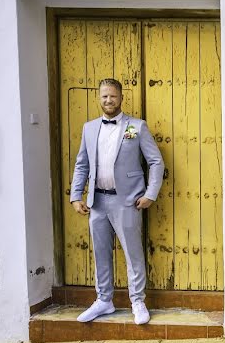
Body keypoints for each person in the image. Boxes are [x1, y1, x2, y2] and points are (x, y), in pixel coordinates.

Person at [70, 78, 165, 324]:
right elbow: (82, 164)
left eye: (112, 96)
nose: (108, 100)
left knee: (132, 253)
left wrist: (150, 194)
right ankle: (104, 301)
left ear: (121, 97)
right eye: (104, 96)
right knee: (101, 253)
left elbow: (155, 161)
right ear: (99, 98)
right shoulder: (89, 128)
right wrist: (76, 195)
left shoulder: (136, 127)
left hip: (127, 202)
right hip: (97, 202)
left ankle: (137, 301)